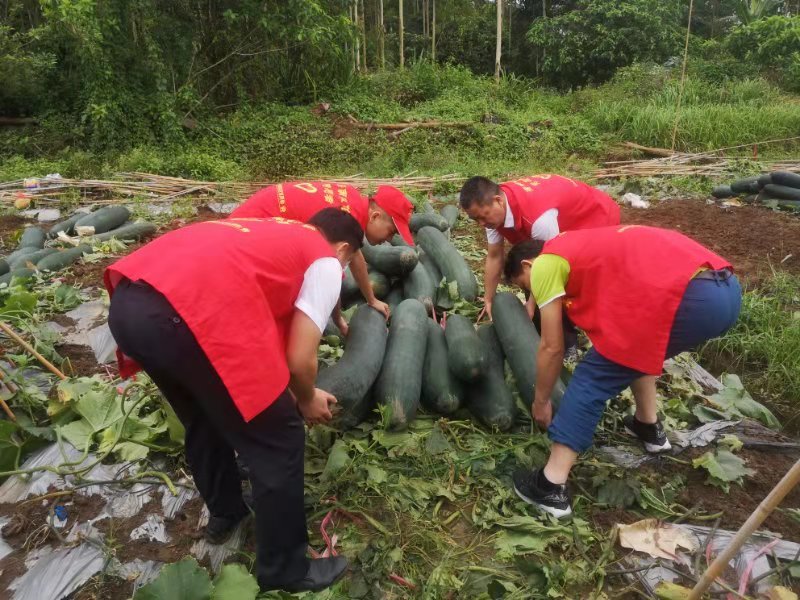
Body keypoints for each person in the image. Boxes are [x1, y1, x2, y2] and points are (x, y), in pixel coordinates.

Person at [105, 209, 364, 592]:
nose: (342, 270)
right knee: (278, 438)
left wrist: (291, 390)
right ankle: (285, 570)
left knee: (204, 418)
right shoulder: (324, 262)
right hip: (186, 315)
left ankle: (226, 513)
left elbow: (273, 340)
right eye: (348, 261)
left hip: (131, 305)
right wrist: (305, 398)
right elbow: (300, 358)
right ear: (343, 249)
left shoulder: (277, 232)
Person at [503, 225, 742, 518]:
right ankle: (648, 427)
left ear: (528, 265)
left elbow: (551, 347)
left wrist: (541, 401)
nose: (532, 293)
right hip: (724, 288)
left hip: (691, 299)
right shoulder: (575, 244)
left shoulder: (546, 264)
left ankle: (551, 485)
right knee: (634, 350)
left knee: (590, 379)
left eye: (525, 286)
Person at [231, 182, 415, 330]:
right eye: (391, 232)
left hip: (244, 224)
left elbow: (355, 255)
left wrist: (371, 299)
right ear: (374, 217)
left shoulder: (352, 202)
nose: (389, 240)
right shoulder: (346, 223)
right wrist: (338, 319)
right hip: (250, 235)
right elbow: (329, 275)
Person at [459, 174, 620, 320]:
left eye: (482, 216)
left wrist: (531, 303)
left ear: (498, 201)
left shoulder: (539, 220)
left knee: (569, 276)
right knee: (533, 272)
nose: (481, 224)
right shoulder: (492, 211)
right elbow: (495, 256)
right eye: (475, 219)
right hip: (558, 217)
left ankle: (571, 337)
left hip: (594, 218)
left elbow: (549, 265)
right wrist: (489, 299)